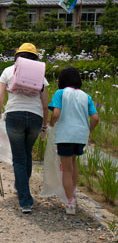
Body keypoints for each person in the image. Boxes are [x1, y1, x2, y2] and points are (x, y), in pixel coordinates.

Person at [0, 43, 49, 213]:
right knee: (26, 154)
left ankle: (25, 201)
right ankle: (20, 186)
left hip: (15, 116)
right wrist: (44, 126)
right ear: (35, 57)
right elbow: (45, 105)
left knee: (18, 158)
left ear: (17, 56)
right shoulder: (41, 74)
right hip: (35, 117)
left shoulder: (8, 71)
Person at [48, 66, 99, 215]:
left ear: (62, 80)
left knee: (66, 169)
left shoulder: (60, 93)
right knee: (74, 163)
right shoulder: (86, 96)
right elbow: (95, 117)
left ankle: (70, 202)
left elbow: (56, 113)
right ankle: (73, 192)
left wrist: (51, 123)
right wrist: (89, 130)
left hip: (65, 135)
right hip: (80, 135)